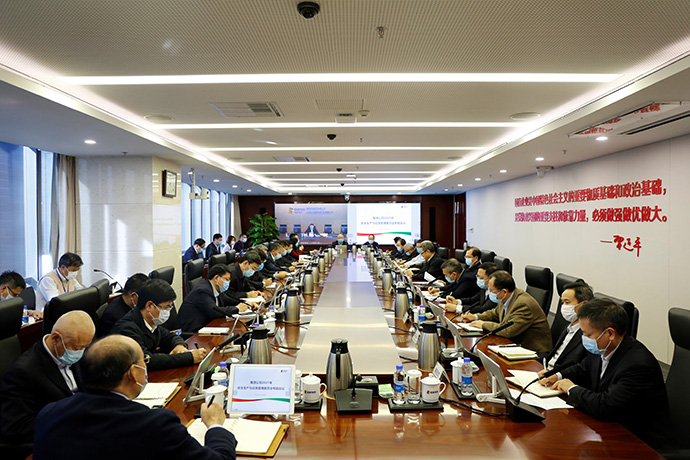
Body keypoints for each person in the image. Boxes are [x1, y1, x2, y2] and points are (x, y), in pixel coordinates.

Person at [33, 334, 236, 460]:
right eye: (144, 362)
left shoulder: (49, 414)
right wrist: (215, 426)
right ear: (132, 373)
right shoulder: (155, 425)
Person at [542, 298, 671, 451]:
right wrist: (557, 376)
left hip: (639, 443)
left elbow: (605, 406)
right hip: (609, 430)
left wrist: (571, 389)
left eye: (587, 334)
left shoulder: (638, 365)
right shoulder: (602, 347)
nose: (583, 339)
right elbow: (582, 369)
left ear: (610, 333)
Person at [0, 311, 95, 444]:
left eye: (85, 347)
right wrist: (68, 421)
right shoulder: (24, 372)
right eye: (77, 348)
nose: (80, 352)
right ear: (55, 338)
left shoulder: (71, 350)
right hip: (57, 437)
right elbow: (15, 427)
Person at [110, 279, 207, 370]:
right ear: (149, 306)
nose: (168, 311)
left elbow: (169, 336)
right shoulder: (127, 328)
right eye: (166, 307)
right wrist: (189, 357)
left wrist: (180, 345)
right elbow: (146, 360)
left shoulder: (150, 322)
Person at [461, 270, 552, 353]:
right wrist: (475, 317)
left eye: (491, 290)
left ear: (504, 292)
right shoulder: (507, 297)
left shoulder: (523, 304)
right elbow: (494, 313)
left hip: (532, 351)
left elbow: (508, 330)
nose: (489, 293)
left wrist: (483, 325)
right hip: (514, 344)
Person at [177, 264, 250, 334]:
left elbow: (229, 300)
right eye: (226, 279)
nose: (228, 282)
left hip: (208, 325)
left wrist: (246, 304)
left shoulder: (216, 288)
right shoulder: (203, 291)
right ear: (216, 278)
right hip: (195, 331)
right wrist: (237, 309)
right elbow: (214, 311)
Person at [538, 281, 592, 369]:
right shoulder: (569, 326)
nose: (563, 307)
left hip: (559, 374)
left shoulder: (589, 335)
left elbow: (579, 368)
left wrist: (555, 374)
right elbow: (554, 354)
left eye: (567, 302)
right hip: (545, 368)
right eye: (562, 302)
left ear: (583, 305)